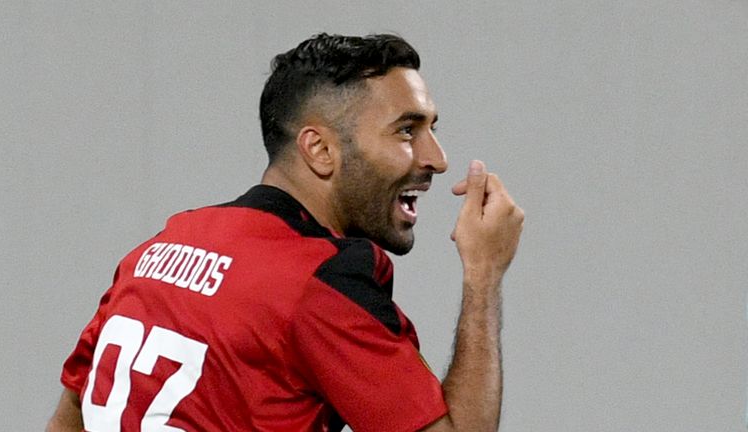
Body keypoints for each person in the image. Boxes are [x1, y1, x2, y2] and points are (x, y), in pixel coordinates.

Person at [47, 33, 524, 432]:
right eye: (406, 131)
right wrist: (482, 275)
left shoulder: (159, 248)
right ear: (319, 149)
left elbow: (73, 411)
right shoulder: (321, 280)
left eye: (432, 128)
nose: (436, 158)